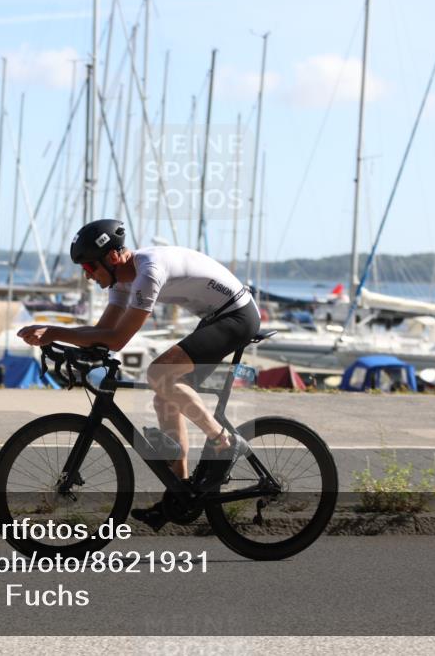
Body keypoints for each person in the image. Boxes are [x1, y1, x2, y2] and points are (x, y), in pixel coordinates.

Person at [17, 219, 260, 530]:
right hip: (215, 316)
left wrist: (54, 332)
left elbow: (118, 340)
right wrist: (69, 345)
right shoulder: (120, 282)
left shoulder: (149, 273)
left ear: (114, 257)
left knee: (160, 373)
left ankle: (224, 441)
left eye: (90, 268)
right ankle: (180, 493)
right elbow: (103, 332)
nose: (87, 276)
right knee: (164, 396)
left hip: (237, 315)